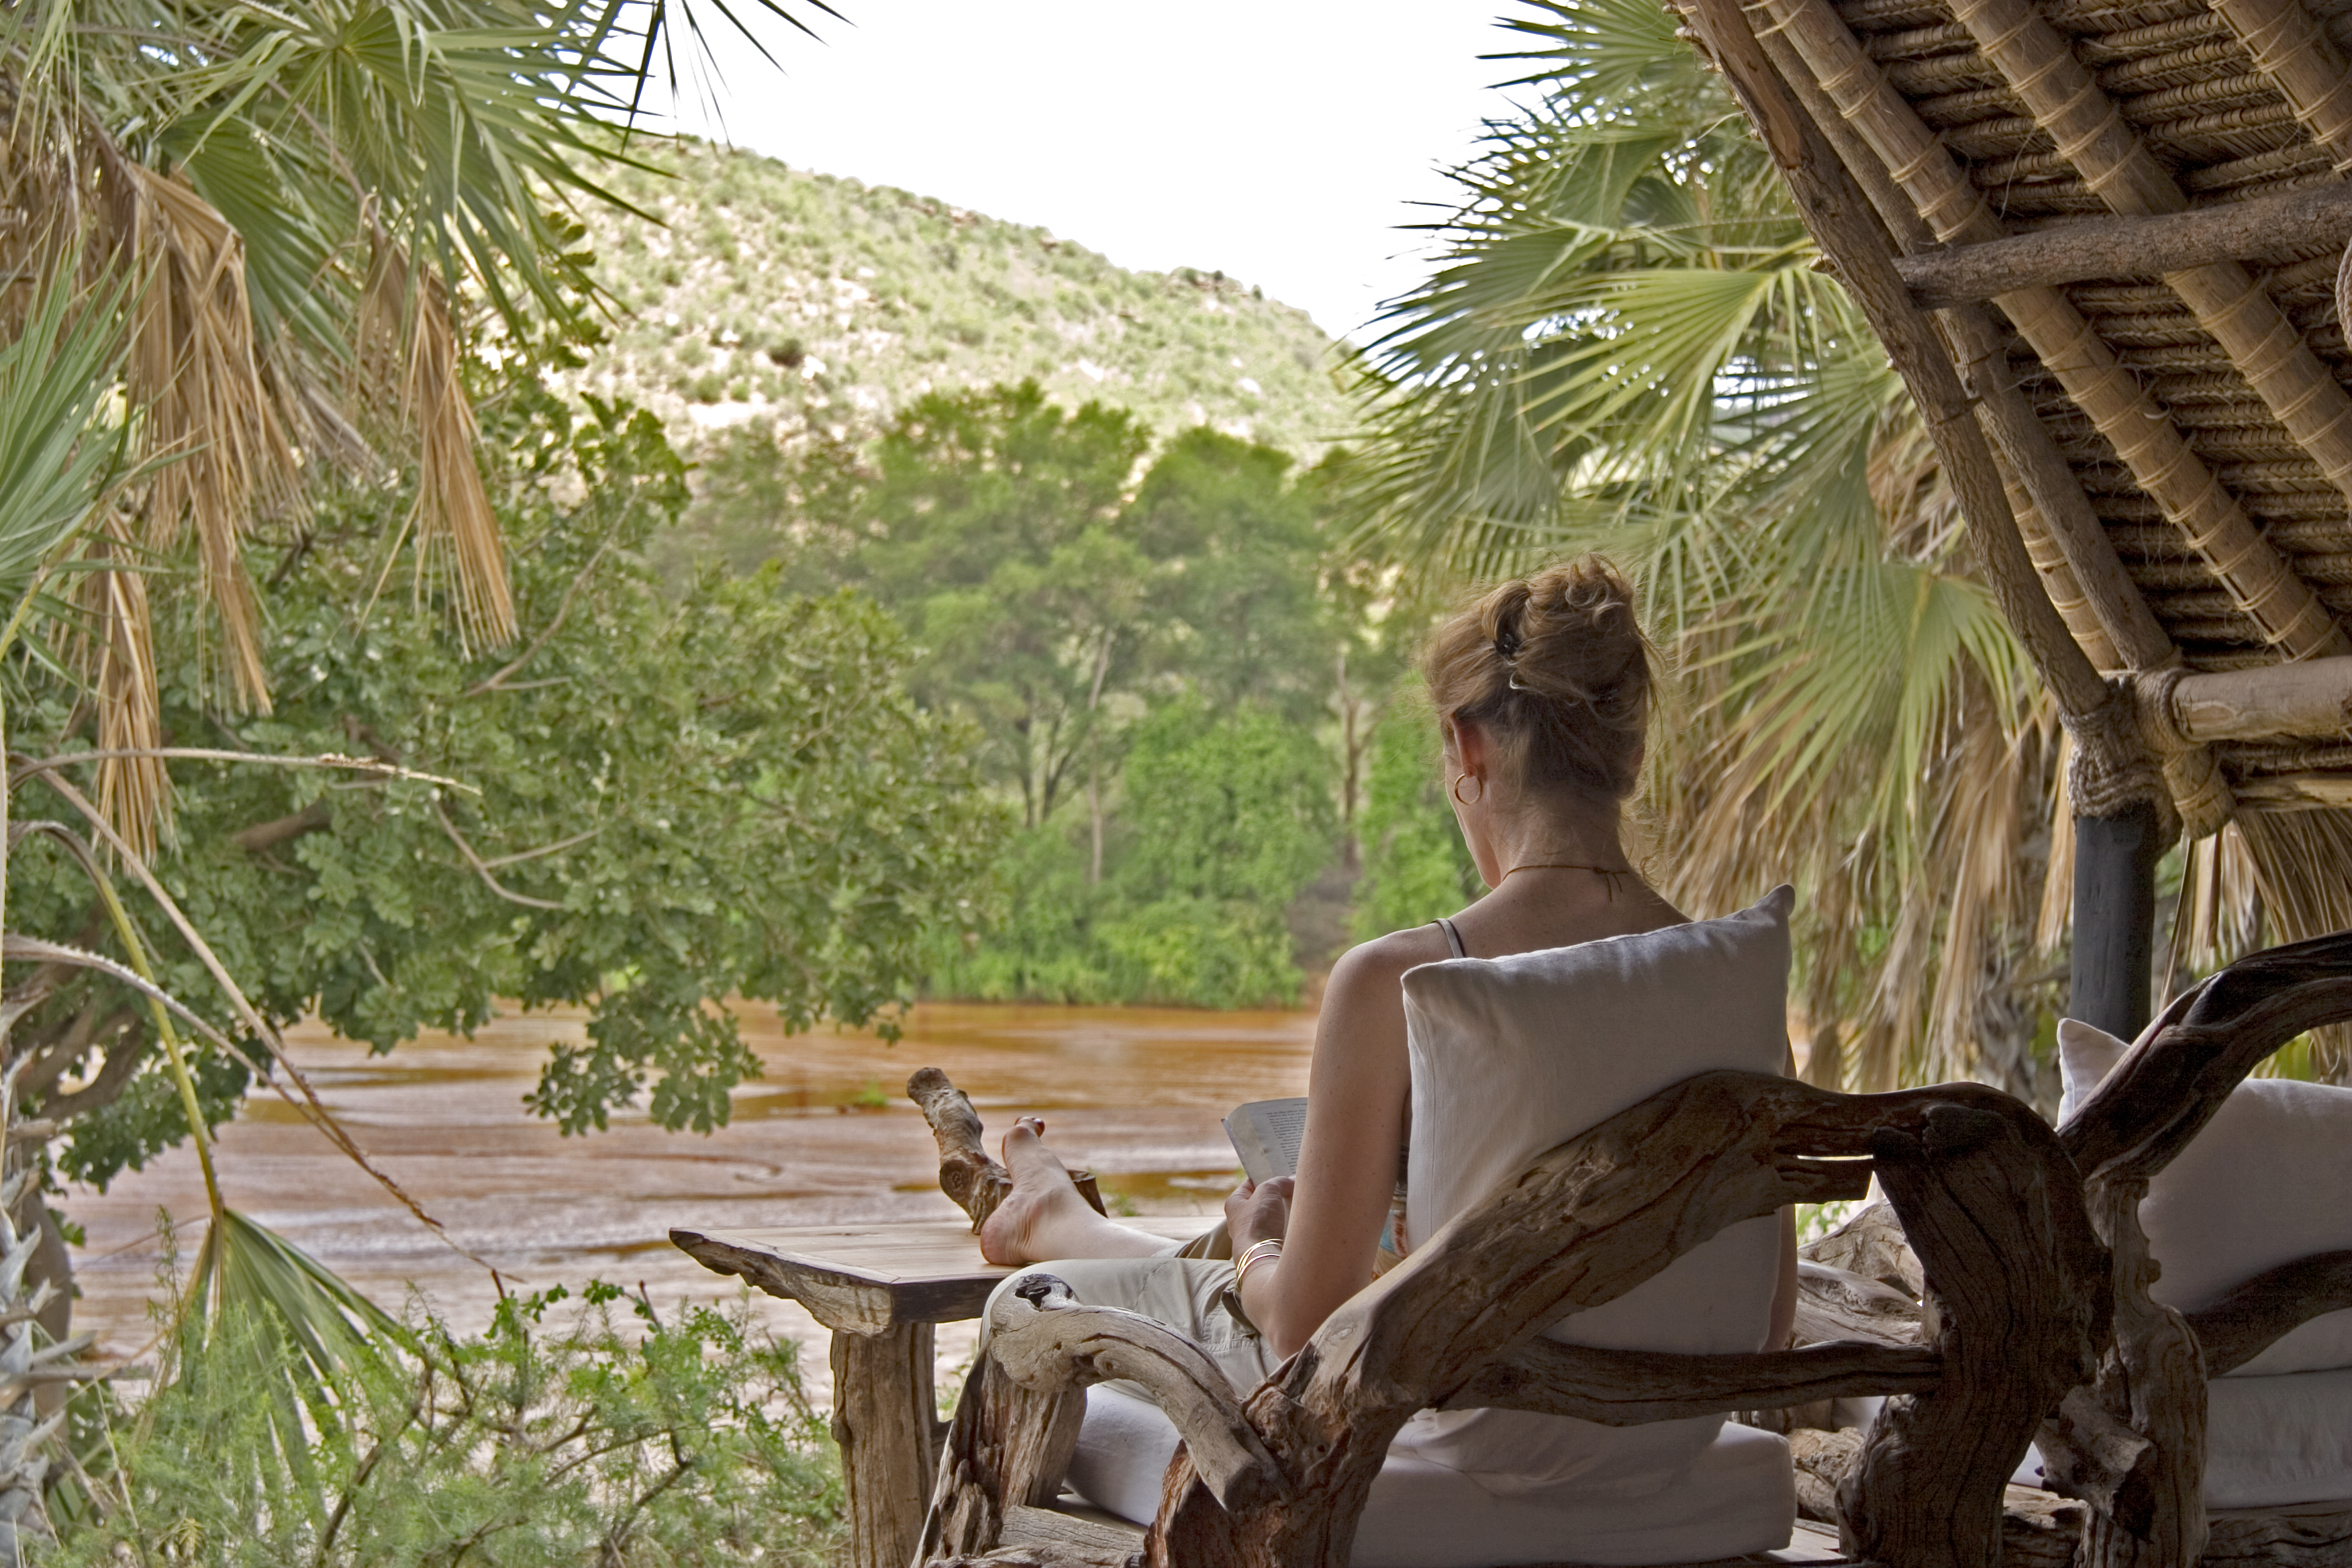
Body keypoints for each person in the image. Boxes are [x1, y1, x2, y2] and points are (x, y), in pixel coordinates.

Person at [975, 554, 1799, 1393]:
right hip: (1669, 1470)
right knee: (1318, 1263)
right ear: (1633, 754)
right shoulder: (1737, 986)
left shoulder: (1399, 979)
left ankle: (1060, 1228)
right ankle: (1057, 1216)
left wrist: (1260, 1238)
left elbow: (1300, 1327)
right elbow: (1768, 1324)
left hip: (1436, 1454)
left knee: (1128, 1288)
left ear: (1468, 748)